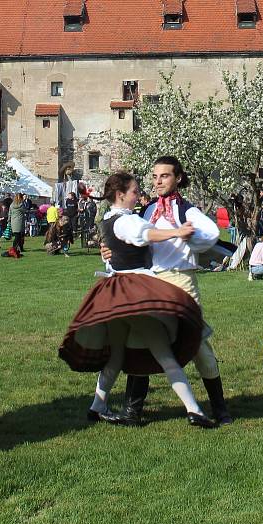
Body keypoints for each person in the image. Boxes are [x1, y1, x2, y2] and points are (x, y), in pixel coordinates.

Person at [59, 172, 214, 428]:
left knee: (117, 355)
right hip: (133, 292)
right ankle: (194, 410)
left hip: (117, 293)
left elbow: (125, 244)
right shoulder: (123, 221)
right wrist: (178, 231)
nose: (138, 195)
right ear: (121, 195)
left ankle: (97, 405)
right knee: (165, 354)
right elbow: (144, 235)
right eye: (134, 191)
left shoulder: (111, 219)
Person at [104, 156, 233, 426]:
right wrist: (110, 252)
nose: (158, 181)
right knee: (142, 340)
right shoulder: (147, 210)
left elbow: (210, 234)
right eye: (154, 176)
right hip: (152, 281)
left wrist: (190, 240)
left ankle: (220, 409)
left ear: (177, 178)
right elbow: (132, 240)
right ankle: (132, 411)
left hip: (182, 281)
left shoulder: (187, 210)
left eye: (164, 176)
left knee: (197, 344)